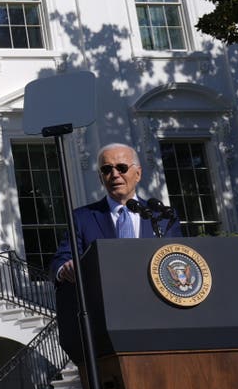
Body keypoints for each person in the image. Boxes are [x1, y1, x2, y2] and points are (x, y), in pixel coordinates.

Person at [49, 142, 183, 365]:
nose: (114, 175)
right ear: (101, 177)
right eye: (106, 169)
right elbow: (61, 258)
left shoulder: (162, 217)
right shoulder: (83, 218)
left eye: (121, 167)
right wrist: (65, 268)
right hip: (108, 323)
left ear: (138, 173)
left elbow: (178, 258)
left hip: (159, 319)